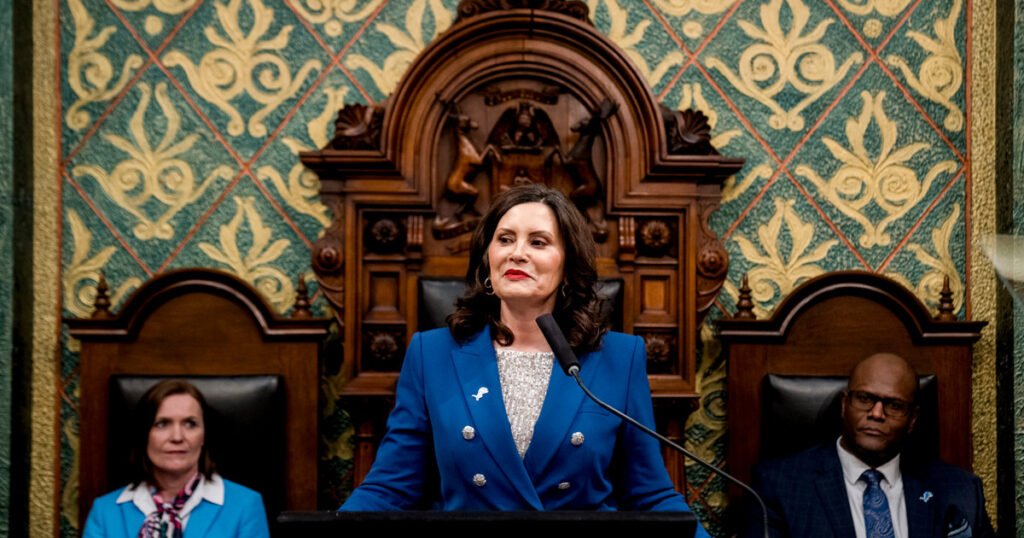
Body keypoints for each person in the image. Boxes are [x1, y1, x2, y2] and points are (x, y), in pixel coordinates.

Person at [340, 183, 710, 536]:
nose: (517, 253)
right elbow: (391, 486)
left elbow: (650, 494)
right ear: (488, 258)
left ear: (567, 265)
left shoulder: (619, 359)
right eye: (504, 239)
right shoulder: (432, 354)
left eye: (538, 242)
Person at [745, 353, 993, 538]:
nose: (876, 413)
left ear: (912, 419)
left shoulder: (959, 490)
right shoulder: (780, 486)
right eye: (865, 399)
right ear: (844, 405)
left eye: (894, 405)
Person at [83, 379, 270, 538]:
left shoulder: (245, 506)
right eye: (162, 424)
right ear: (144, 434)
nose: (177, 437)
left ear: (203, 436)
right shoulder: (105, 511)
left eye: (190, 424)